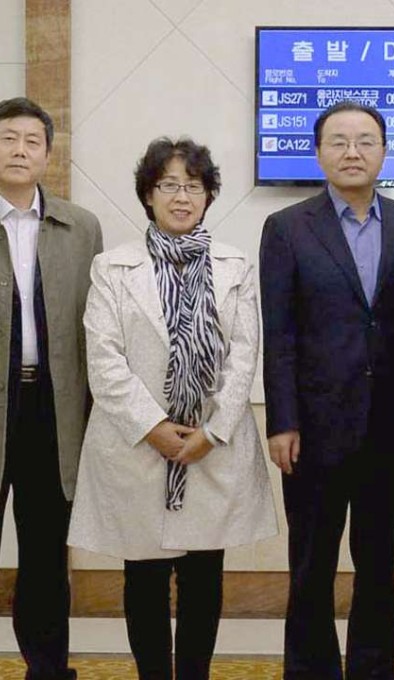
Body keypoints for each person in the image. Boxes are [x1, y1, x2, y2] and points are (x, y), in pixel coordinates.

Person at [67, 137, 277, 680]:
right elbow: (104, 359)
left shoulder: (235, 265)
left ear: (208, 196)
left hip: (212, 446)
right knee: (144, 578)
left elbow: (245, 353)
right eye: (168, 186)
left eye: (193, 186)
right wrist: (155, 427)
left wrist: (211, 431)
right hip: (136, 446)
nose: (181, 196)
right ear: (148, 195)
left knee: (205, 576)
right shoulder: (112, 267)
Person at [260, 100, 394, 680]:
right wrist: (282, 420)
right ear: (318, 152)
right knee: (311, 564)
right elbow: (278, 333)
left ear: (384, 151)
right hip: (313, 429)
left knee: (379, 561)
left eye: (365, 141)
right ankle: (309, 671)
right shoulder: (286, 228)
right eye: (339, 141)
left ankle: (374, 669)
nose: (352, 152)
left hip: (390, 425)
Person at [0, 96, 102, 680]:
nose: (19, 149)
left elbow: (95, 326)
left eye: (31, 140)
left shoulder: (79, 225)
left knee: (44, 554)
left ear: (47, 153)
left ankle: (48, 668)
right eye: (8, 138)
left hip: (54, 411)